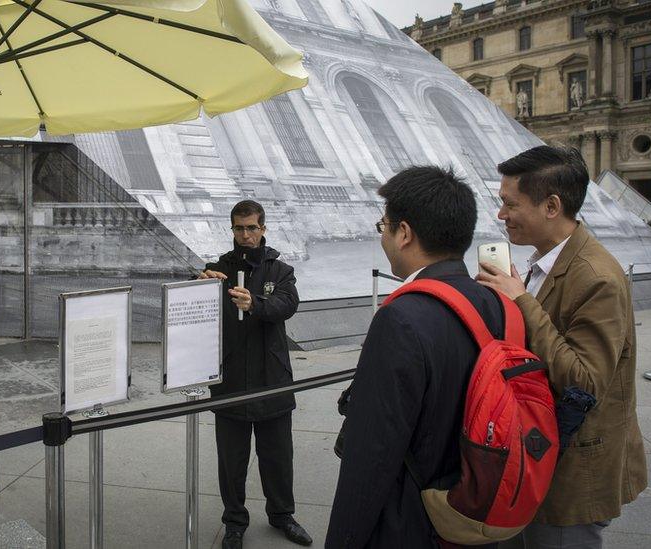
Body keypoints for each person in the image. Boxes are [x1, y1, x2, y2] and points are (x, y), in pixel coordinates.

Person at [477, 145, 647, 549]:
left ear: (551, 205)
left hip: (571, 475)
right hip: (535, 457)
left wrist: (522, 302)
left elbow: (585, 382)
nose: (501, 215)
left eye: (509, 203)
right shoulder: (545, 261)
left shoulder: (596, 277)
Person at [326, 166, 505, 548]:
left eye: (383, 226)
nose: (383, 237)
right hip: (476, 508)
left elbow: (371, 456)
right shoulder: (496, 301)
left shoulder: (400, 318)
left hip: (411, 521)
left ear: (404, 233)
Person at [198, 200, 311, 549]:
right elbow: (196, 306)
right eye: (238, 228)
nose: (245, 235)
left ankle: (282, 516)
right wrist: (201, 281)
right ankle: (234, 522)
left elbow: (288, 306)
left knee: (277, 456)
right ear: (231, 230)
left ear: (263, 229)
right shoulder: (218, 268)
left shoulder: (280, 270)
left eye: (251, 228)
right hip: (230, 379)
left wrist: (255, 304)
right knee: (231, 461)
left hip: (271, 379)